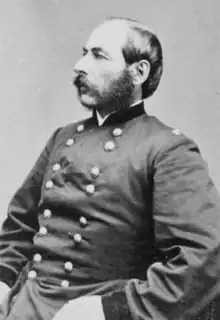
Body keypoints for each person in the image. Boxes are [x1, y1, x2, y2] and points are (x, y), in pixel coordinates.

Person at [0, 16, 220, 320]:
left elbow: (203, 259)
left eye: (98, 55)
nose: (80, 65)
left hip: (91, 310)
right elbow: (20, 224)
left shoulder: (168, 149)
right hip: (27, 305)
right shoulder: (63, 137)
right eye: (83, 52)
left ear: (139, 72)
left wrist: (114, 309)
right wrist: (2, 278)